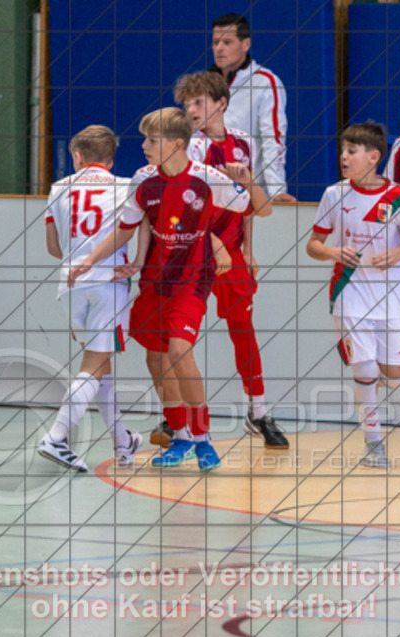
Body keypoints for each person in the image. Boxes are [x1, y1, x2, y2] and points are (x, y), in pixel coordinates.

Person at [69, 107, 262, 472]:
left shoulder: (207, 179)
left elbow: (255, 208)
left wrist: (244, 187)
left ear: (176, 145)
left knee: (179, 351)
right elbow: (127, 227)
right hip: (154, 283)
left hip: (191, 281)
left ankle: (203, 438)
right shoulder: (143, 181)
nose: (143, 145)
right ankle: (181, 436)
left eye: (151, 140)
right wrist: (89, 260)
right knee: (155, 358)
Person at [166, 69, 288, 450]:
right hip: (195, 249)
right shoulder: (191, 145)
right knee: (179, 336)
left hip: (232, 252)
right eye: (186, 103)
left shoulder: (243, 142)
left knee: (242, 329)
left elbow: (250, 205)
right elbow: (189, 202)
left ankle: (258, 410)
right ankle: (177, 419)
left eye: (198, 102)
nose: (191, 109)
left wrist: (247, 249)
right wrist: (215, 241)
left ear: (221, 103)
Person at [306, 122, 400, 469]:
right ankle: (374, 444)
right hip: (348, 292)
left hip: (388, 298)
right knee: (366, 368)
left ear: (374, 156)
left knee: (397, 375)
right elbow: (313, 245)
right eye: (343, 150)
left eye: (352, 151)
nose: (344, 156)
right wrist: (333, 252)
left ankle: (370, 385)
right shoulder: (334, 194)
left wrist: (397, 254)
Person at [36, 125, 143, 472]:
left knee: (100, 365)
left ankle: (123, 443)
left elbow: (53, 247)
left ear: (77, 157)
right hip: (108, 282)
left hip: (70, 285)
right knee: (93, 367)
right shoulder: (126, 186)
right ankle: (56, 437)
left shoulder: (58, 187)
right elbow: (142, 228)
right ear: (110, 162)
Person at [209, 13, 294, 202]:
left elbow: (273, 140)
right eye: (216, 42)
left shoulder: (265, 82)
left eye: (227, 42)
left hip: (248, 193)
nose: (219, 48)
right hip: (208, 192)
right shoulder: (203, 83)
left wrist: (276, 191)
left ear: (245, 44)